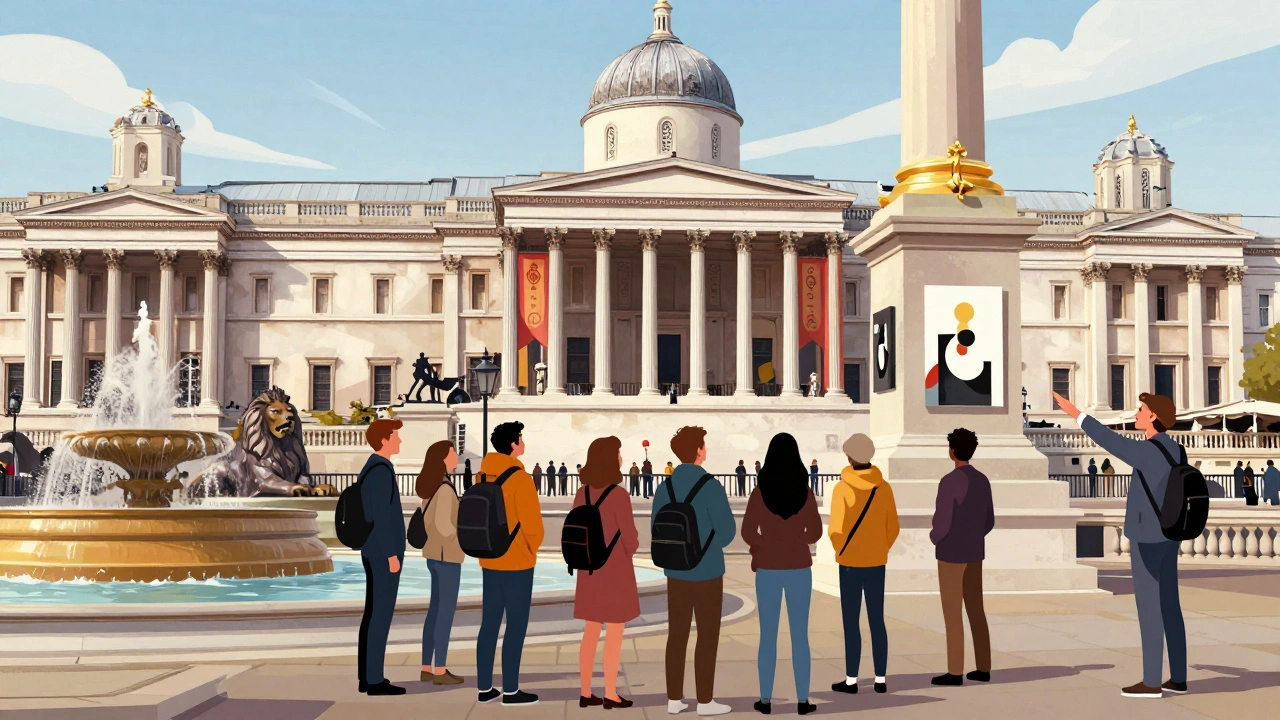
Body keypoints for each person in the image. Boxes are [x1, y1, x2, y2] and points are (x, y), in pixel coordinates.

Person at [1053, 390, 1187, 698]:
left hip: (1147, 536)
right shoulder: (1176, 449)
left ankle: (1151, 682)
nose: (1137, 413)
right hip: (1171, 533)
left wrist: (1076, 413)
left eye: (1141, 409)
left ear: (1153, 416)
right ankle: (1178, 677)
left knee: (1149, 607)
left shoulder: (1148, 451)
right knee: (1170, 604)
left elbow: (1109, 440)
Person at [653, 426, 736, 716]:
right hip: (707, 571)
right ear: (699, 451)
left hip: (675, 571)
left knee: (676, 635)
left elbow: (656, 528)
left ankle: (674, 700)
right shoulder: (711, 486)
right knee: (707, 636)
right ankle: (705, 701)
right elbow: (727, 533)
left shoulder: (665, 487)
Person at [742, 433, 822, 716]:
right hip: (799, 567)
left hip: (768, 568)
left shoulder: (759, 493)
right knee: (800, 635)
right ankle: (803, 700)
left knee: (768, 635)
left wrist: (765, 544)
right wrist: (797, 538)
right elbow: (816, 532)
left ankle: (765, 700)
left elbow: (747, 531)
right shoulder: (806, 493)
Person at [476, 421, 545, 706]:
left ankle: (484, 688)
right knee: (515, 625)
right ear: (513, 444)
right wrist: (531, 550)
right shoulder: (520, 479)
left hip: (489, 557)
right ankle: (511, 691)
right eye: (520, 438)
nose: (523, 442)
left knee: (489, 624)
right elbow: (533, 527)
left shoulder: (482, 475)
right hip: (516, 562)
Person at [829, 434, 899, 696]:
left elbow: (836, 529)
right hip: (876, 562)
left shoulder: (842, 489)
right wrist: (879, 548)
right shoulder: (884, 488)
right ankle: (880, 678)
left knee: (851, 622)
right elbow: (893, 527)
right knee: (877, 620)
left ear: (849, 457)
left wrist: (843, 550)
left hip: (849, 563)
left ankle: (851, 680)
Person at [574, 436, 640, 710]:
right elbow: (630, 538)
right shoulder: (619, 495)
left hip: (588, 569)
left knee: (590, 631)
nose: (621, 457)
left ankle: (585, 691)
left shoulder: (582, 493)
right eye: (618, 453)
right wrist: (629, 548)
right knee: (614, 632)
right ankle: (610, 693)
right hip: (614, 571)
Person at [929, 428, 994, 688]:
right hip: (974, 552)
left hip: (951, 553)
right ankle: (983, 667)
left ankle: (955, 671)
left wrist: (935, 537)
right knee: (976, 610)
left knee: (953, 613)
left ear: (952, 450)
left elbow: (943, 520)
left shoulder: (949, 481)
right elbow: (989, 520)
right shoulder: (983, 480)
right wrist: (974, 536)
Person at [357, 419, 407, 696]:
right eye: (395, 436)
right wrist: (391, 555)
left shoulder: (374, 468)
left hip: (373, 550)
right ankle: (374, 680)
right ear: (385, 440)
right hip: (382, 552)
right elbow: (382, 517)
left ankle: (367, 677)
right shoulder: (380, 471)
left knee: (372, 614)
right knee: (380, 615)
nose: (399, 440)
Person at [417, 440, 464, 686]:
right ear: (444, 458)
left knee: (434, 612)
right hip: (447, 556)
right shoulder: (445, 488)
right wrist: (461, 539)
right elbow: (444, 525)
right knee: (445, 614)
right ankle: (440, 670)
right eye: (453, 452)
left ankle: (426, 667)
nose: (456, 456)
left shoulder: (430, 486)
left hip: (433, 554)